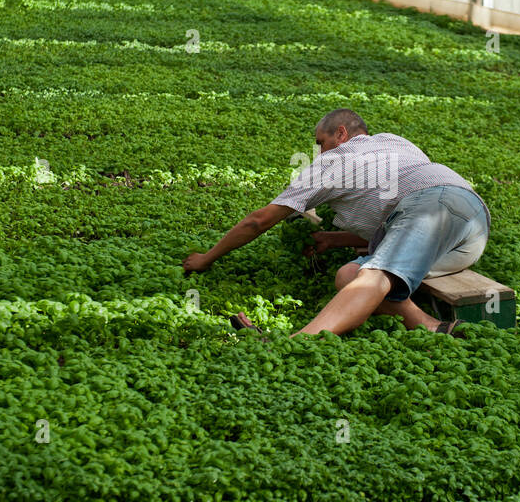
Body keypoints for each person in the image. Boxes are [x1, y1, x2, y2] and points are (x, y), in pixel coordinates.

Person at [182, 109, 491, 337]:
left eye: (321, 142)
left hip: (432, 206)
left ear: (341, 134)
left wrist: (205, 259)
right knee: (349, 274)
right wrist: (334, 239)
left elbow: (259, 221)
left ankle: (297, 341)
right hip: (468, 234)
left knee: (375, 277)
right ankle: (433, 326)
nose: (318, 151)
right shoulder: (395, 141)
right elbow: (396, 212)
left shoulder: (334, 160)